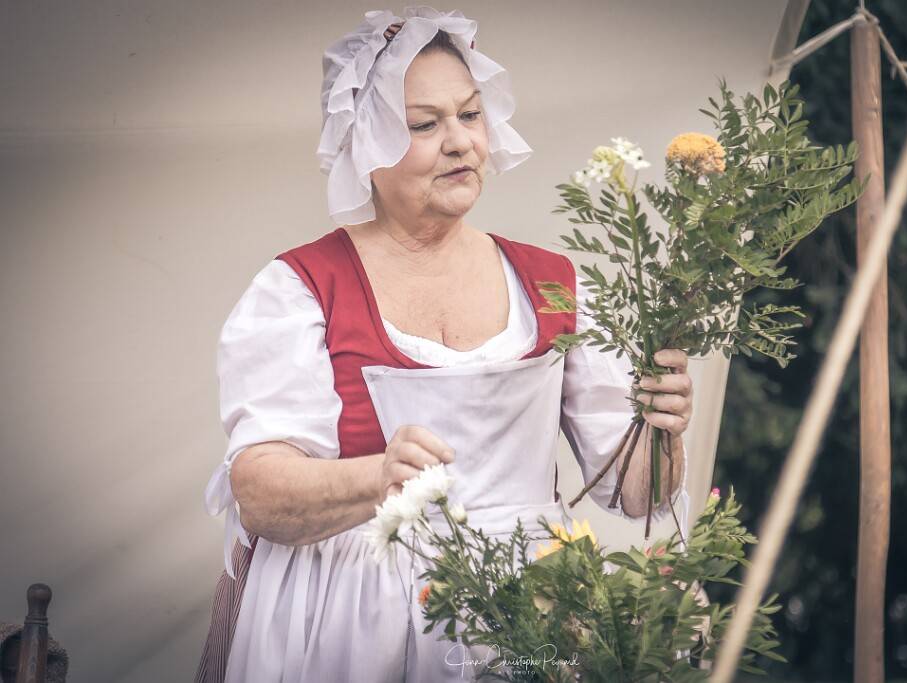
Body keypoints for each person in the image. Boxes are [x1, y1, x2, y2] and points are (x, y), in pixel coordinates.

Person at [194, 7, 694, 682]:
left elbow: (637, 494)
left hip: (527, 613)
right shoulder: (302, 289)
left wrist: (664, 426)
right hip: (353, 622)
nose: (460, 141)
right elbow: (258, 493)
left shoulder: (555, 284)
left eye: (470, 114)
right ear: (367, 144)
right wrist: (375, 477)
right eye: (424, 124)